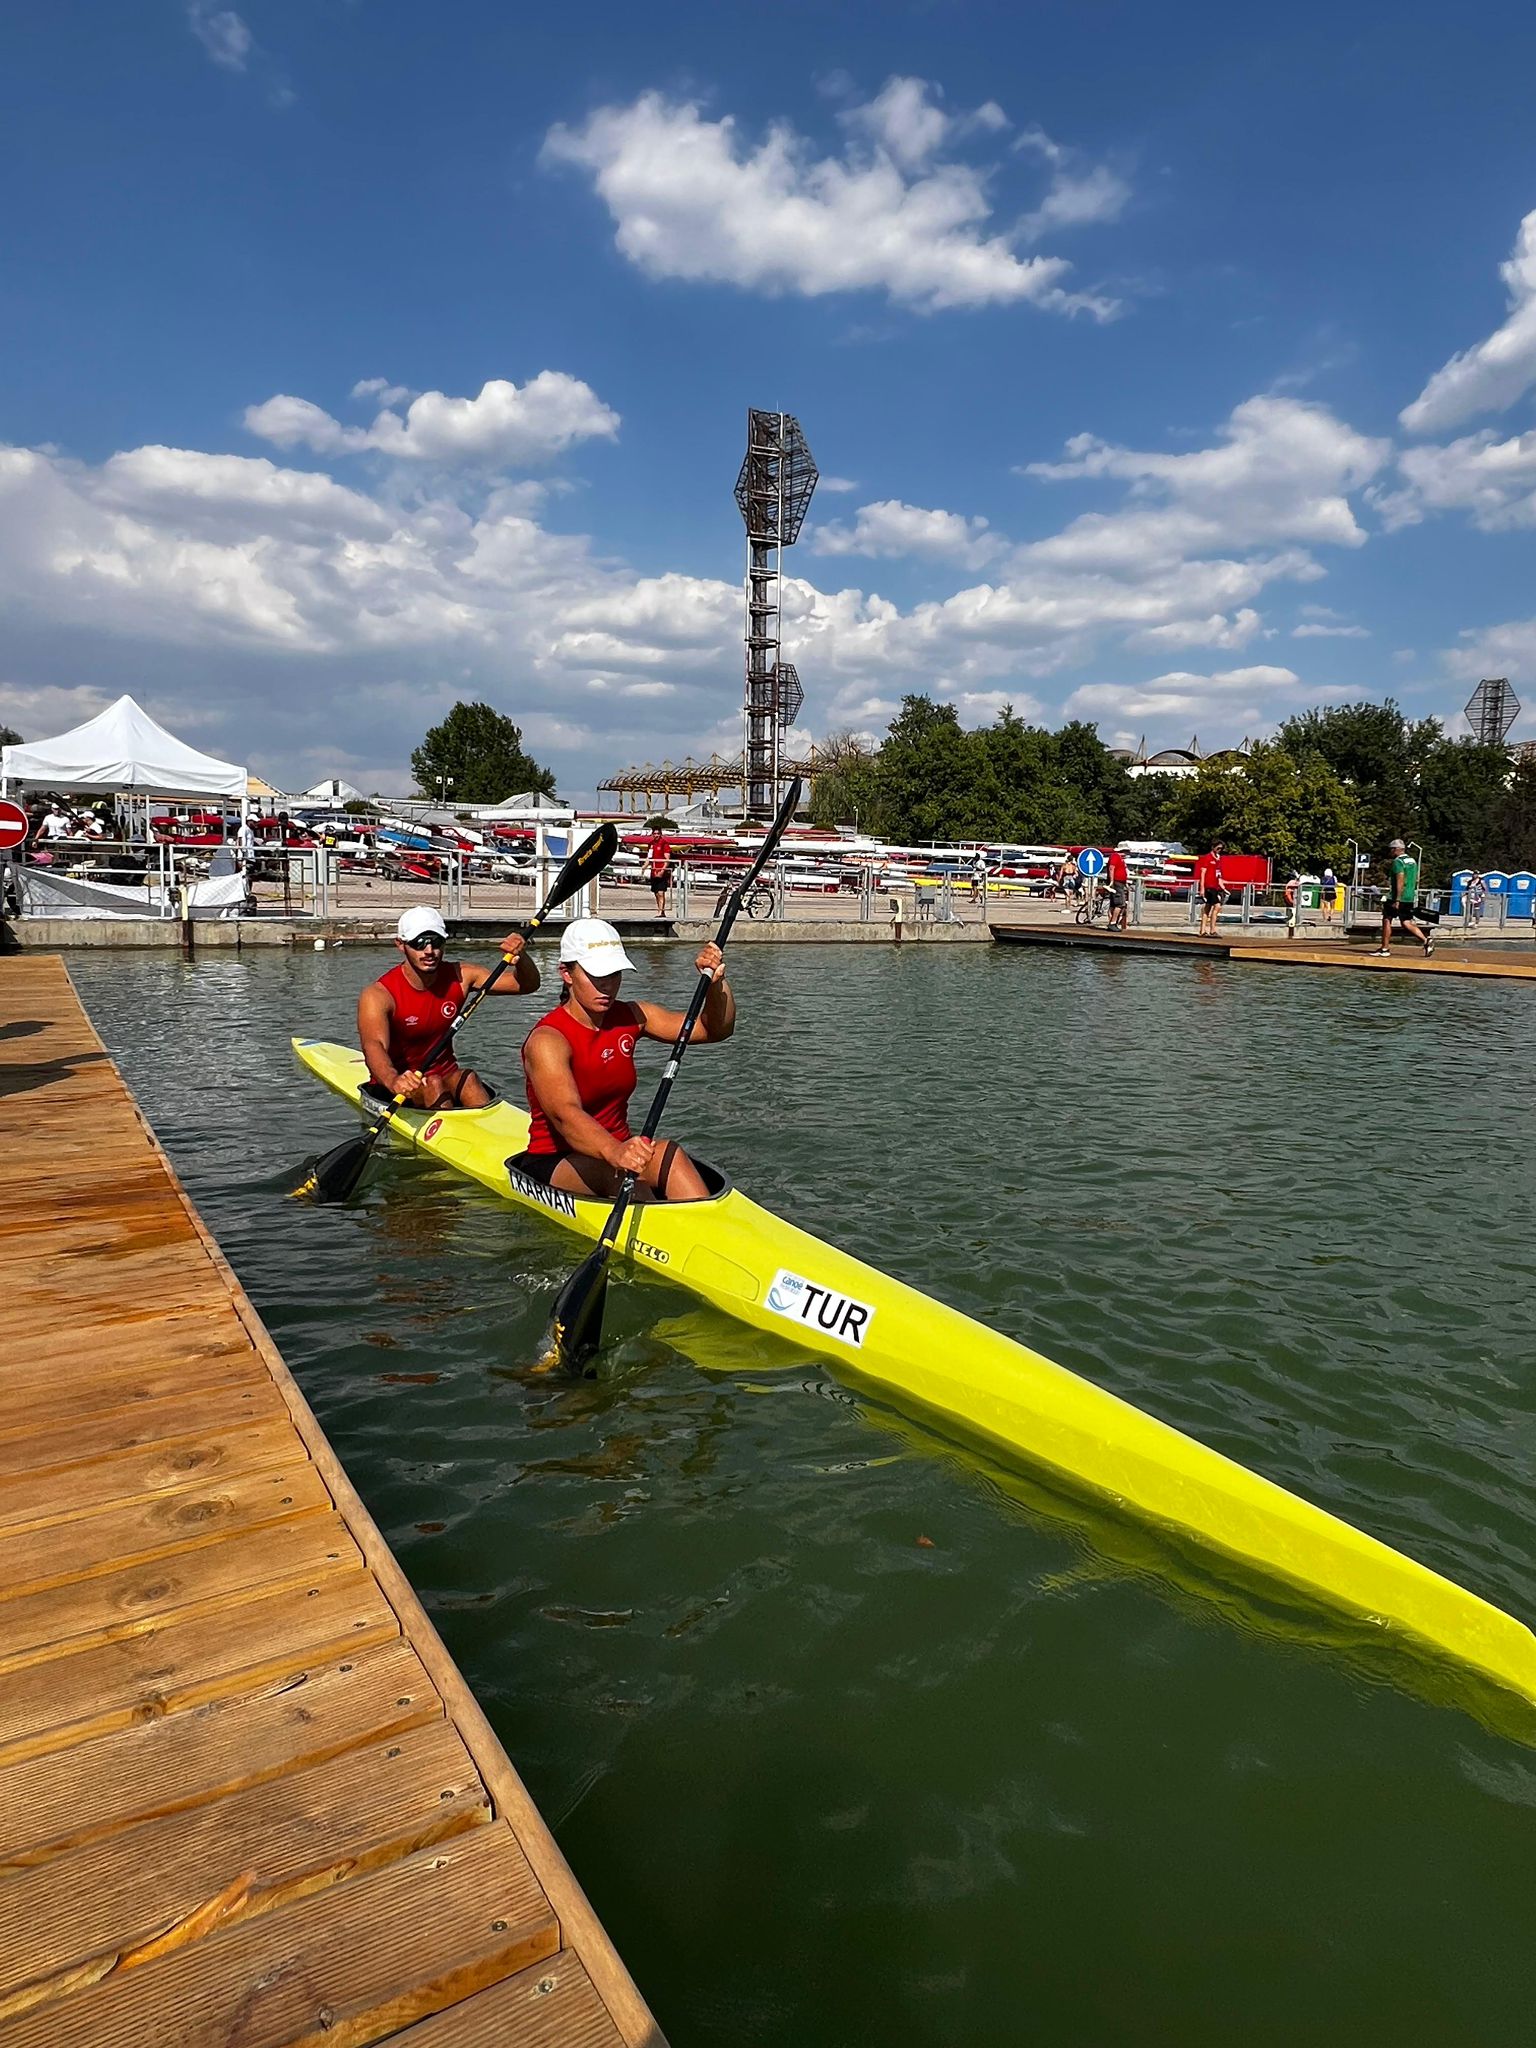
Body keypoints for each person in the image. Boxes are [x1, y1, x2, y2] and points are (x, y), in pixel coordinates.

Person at [516, 918, 733, 1202]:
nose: (606, 985)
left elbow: (714, 1030)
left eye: (614, 974)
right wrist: (615, 1151)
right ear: (566, 974)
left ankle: (707, 1227)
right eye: (596, 976)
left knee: (670, 1153)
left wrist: (715, 984)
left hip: (618, 1153)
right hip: (556, 1160)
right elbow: (565, 1115)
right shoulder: (548, 1040)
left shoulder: (631, 1016)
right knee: (615, 1173)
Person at [358, 906, 540, 1111]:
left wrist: (521, 958)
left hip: (446, 1076)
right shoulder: (378, 995)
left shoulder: (462, 976)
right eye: (419, 943)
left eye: (436, 942)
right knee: (433, 1084)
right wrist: (393, 1080)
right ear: (400, 945)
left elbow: (526, 985)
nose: (429, 951)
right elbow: (374, 1046)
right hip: (402, 1085)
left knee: (469, 1078)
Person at [1374, 838, 1433, 957]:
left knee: (1387, 919)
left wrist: (1397, 899)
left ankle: (1385, 949)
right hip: (1409, 896)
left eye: (1391, 850)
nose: (1390, 852)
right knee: (1406, 922)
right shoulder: (1412, 861)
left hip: (1397, 896)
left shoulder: (1398, 862)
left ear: (1396, 849)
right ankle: (1426, 940)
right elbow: (1416, 878)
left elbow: (1400, 879)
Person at [1196, 843, 1226, 937]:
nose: (1219, 850)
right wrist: (1202, 888)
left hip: (1215, 886)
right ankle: (1212, 930)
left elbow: (1219, 874)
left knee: (1208, 907)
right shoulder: (1208, 858)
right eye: (1218, 848)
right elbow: (1203, 873)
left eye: (1221, 848)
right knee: (1217, 906)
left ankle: (1202, 930)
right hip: (1209, 886)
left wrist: (1223, 887)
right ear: (1213, 847)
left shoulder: (1218, 859)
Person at [646, 829, 672, 914]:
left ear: (660, 834)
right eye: (654, 833)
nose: (656, 835)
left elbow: (667, 859)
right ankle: (661, 910)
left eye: (658, 833)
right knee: (656, 893)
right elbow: (649, 857)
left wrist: (662, 870)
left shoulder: (664, 843)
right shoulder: (651, 844)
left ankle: (660, 912)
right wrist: (644, 866)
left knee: (661, 892)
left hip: (661, 871)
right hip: (653, 871)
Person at [1105, 848, 1130, 931]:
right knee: (1120, 903)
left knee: (1114, 904)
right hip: (1116, 882)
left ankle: (1112, 922)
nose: (1126, 854)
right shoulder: (1115, 856)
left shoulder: (1120, 859)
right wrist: (1111, 881)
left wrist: (1125, 883)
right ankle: (1113, 923)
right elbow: (1111, 868)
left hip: (1120, 882)